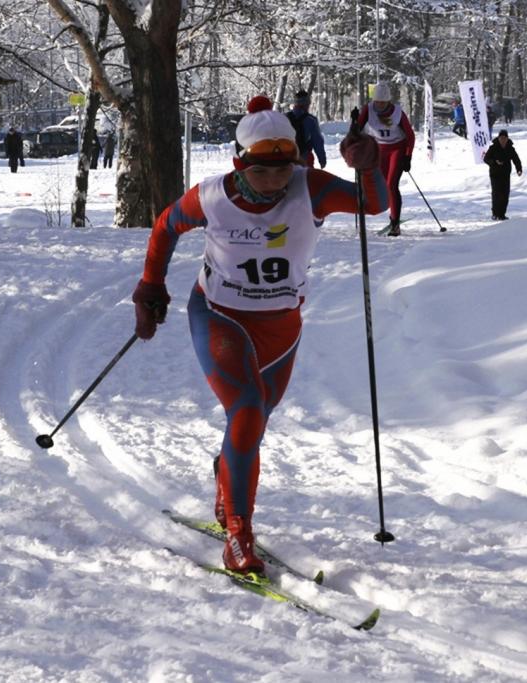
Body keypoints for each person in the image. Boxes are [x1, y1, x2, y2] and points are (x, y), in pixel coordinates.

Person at [131, 96, 387, 574]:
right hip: (220, 316)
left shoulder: (308, 187)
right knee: (246, 411)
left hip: (282, 327)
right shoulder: (211, 195)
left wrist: (368, 164)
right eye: (261, 173)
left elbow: (373, 205)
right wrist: (150, 285)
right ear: (238, 163)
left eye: (283, 171)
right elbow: (166, 225)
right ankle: (239, 534)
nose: (273, 183)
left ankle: (227, 478)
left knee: (253, 423)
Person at [356, 81, 415, 236]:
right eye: (377, 102)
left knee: (391, 185)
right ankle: (392, 217)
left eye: (383, 102)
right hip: (379, 150)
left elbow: (410, 135)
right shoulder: (368, 110)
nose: (379, 106)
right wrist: (354, 121)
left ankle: (395, 222)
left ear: (388, 101)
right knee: (381, 185)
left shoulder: (398, 112)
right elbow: (356, 131)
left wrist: (408, 156)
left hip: (397, 149)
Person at [483, 129, 523, 220]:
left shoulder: (510, 148)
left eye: (505, 138)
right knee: (497, 194)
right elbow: (486, 159)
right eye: (501, 138)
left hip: (505, 174)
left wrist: (519, 169)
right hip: (495, 174)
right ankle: (495, 213)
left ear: (507, 139)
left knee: (505, 194)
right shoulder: (493, 148)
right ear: (498, 138)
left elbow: (516, 159)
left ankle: (502, 214)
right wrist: (494, 162)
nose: (503, 140)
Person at [286, 89, 326, 168]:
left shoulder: (284, 117)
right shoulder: (311, 120)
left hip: (287, 160)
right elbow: (317, 141)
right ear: (307, 104)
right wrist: (322, 160)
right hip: (304, 160)